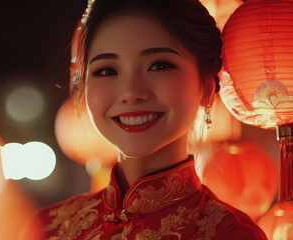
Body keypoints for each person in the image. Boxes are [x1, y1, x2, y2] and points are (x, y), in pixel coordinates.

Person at [35, 0, 268, 239]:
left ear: (206, 87)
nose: (130, 92)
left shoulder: (230, 233)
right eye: (106, 70)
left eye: (159, 65)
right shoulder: (45, 228)